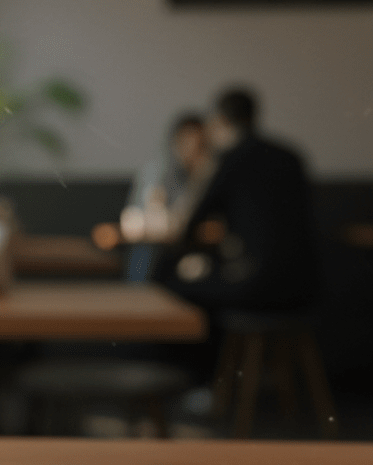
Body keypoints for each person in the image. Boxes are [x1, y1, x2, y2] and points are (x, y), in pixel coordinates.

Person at [153, 87, 320, 312]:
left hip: (255, 286)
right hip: (306, 285)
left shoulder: (229, 160)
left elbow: (190, 225)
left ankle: (205, 347)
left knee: (163, 277)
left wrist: (206, 168)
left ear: (218, 121)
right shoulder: (291, 157)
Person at [123, 112, 212, 280]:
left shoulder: (205, 173)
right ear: (176, 142)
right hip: (154, 245)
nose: (195, 150)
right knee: (146, 253)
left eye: (202, 145)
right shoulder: (157, 171)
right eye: (190, 143)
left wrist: (201, 176)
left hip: (189, 246)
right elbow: (146, 216)